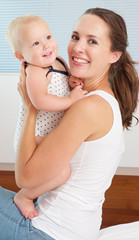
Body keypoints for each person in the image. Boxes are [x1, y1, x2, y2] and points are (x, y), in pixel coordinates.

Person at [1, 7, 139, 240]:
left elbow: (24, 179)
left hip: (44, 231)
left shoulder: (89, 107)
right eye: (75, 37)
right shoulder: (96, 99)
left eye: (93, 41)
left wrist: (30, 107)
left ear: (114, 55)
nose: (77, 47)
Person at [6, 15, 87, 219]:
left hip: (48, 135)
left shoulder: (58, 61)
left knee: (61, 169)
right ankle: (24, 196)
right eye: (35, 43)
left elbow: (61, 84)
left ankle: (36, 195)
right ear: (20, 56)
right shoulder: (34, 71)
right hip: (34, 136)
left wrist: (72, 83)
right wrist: (70, 100)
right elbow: (40, 101)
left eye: (48, 37)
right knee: (62, 172)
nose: (46, 45)